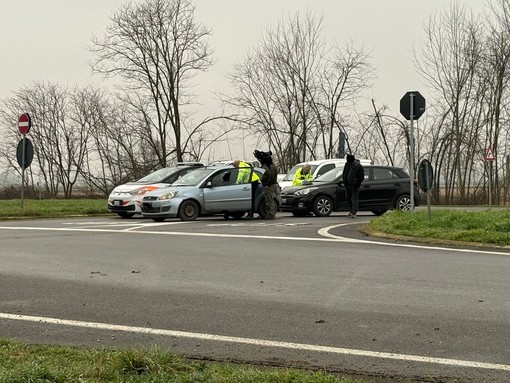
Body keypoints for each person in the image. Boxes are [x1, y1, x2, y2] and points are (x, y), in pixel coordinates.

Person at [254, 150, 278, 219]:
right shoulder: (269, 166)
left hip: (271, 186)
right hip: (270, 185)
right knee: (268, 200)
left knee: (269, 200)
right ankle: (268, 213)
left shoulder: (271, 167)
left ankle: (271, 214)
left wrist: (267, 185)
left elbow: (272, 177)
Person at [342, 154, 364, 218]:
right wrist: (344, 180)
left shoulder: (358, 166)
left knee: (354, 199)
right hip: (347, 185)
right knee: (348, 198)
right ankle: (351, 210)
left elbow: (361, 177)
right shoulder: (347, 165)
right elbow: (344, 173)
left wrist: (356, 183)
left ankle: (354, 212)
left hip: (354, 186)